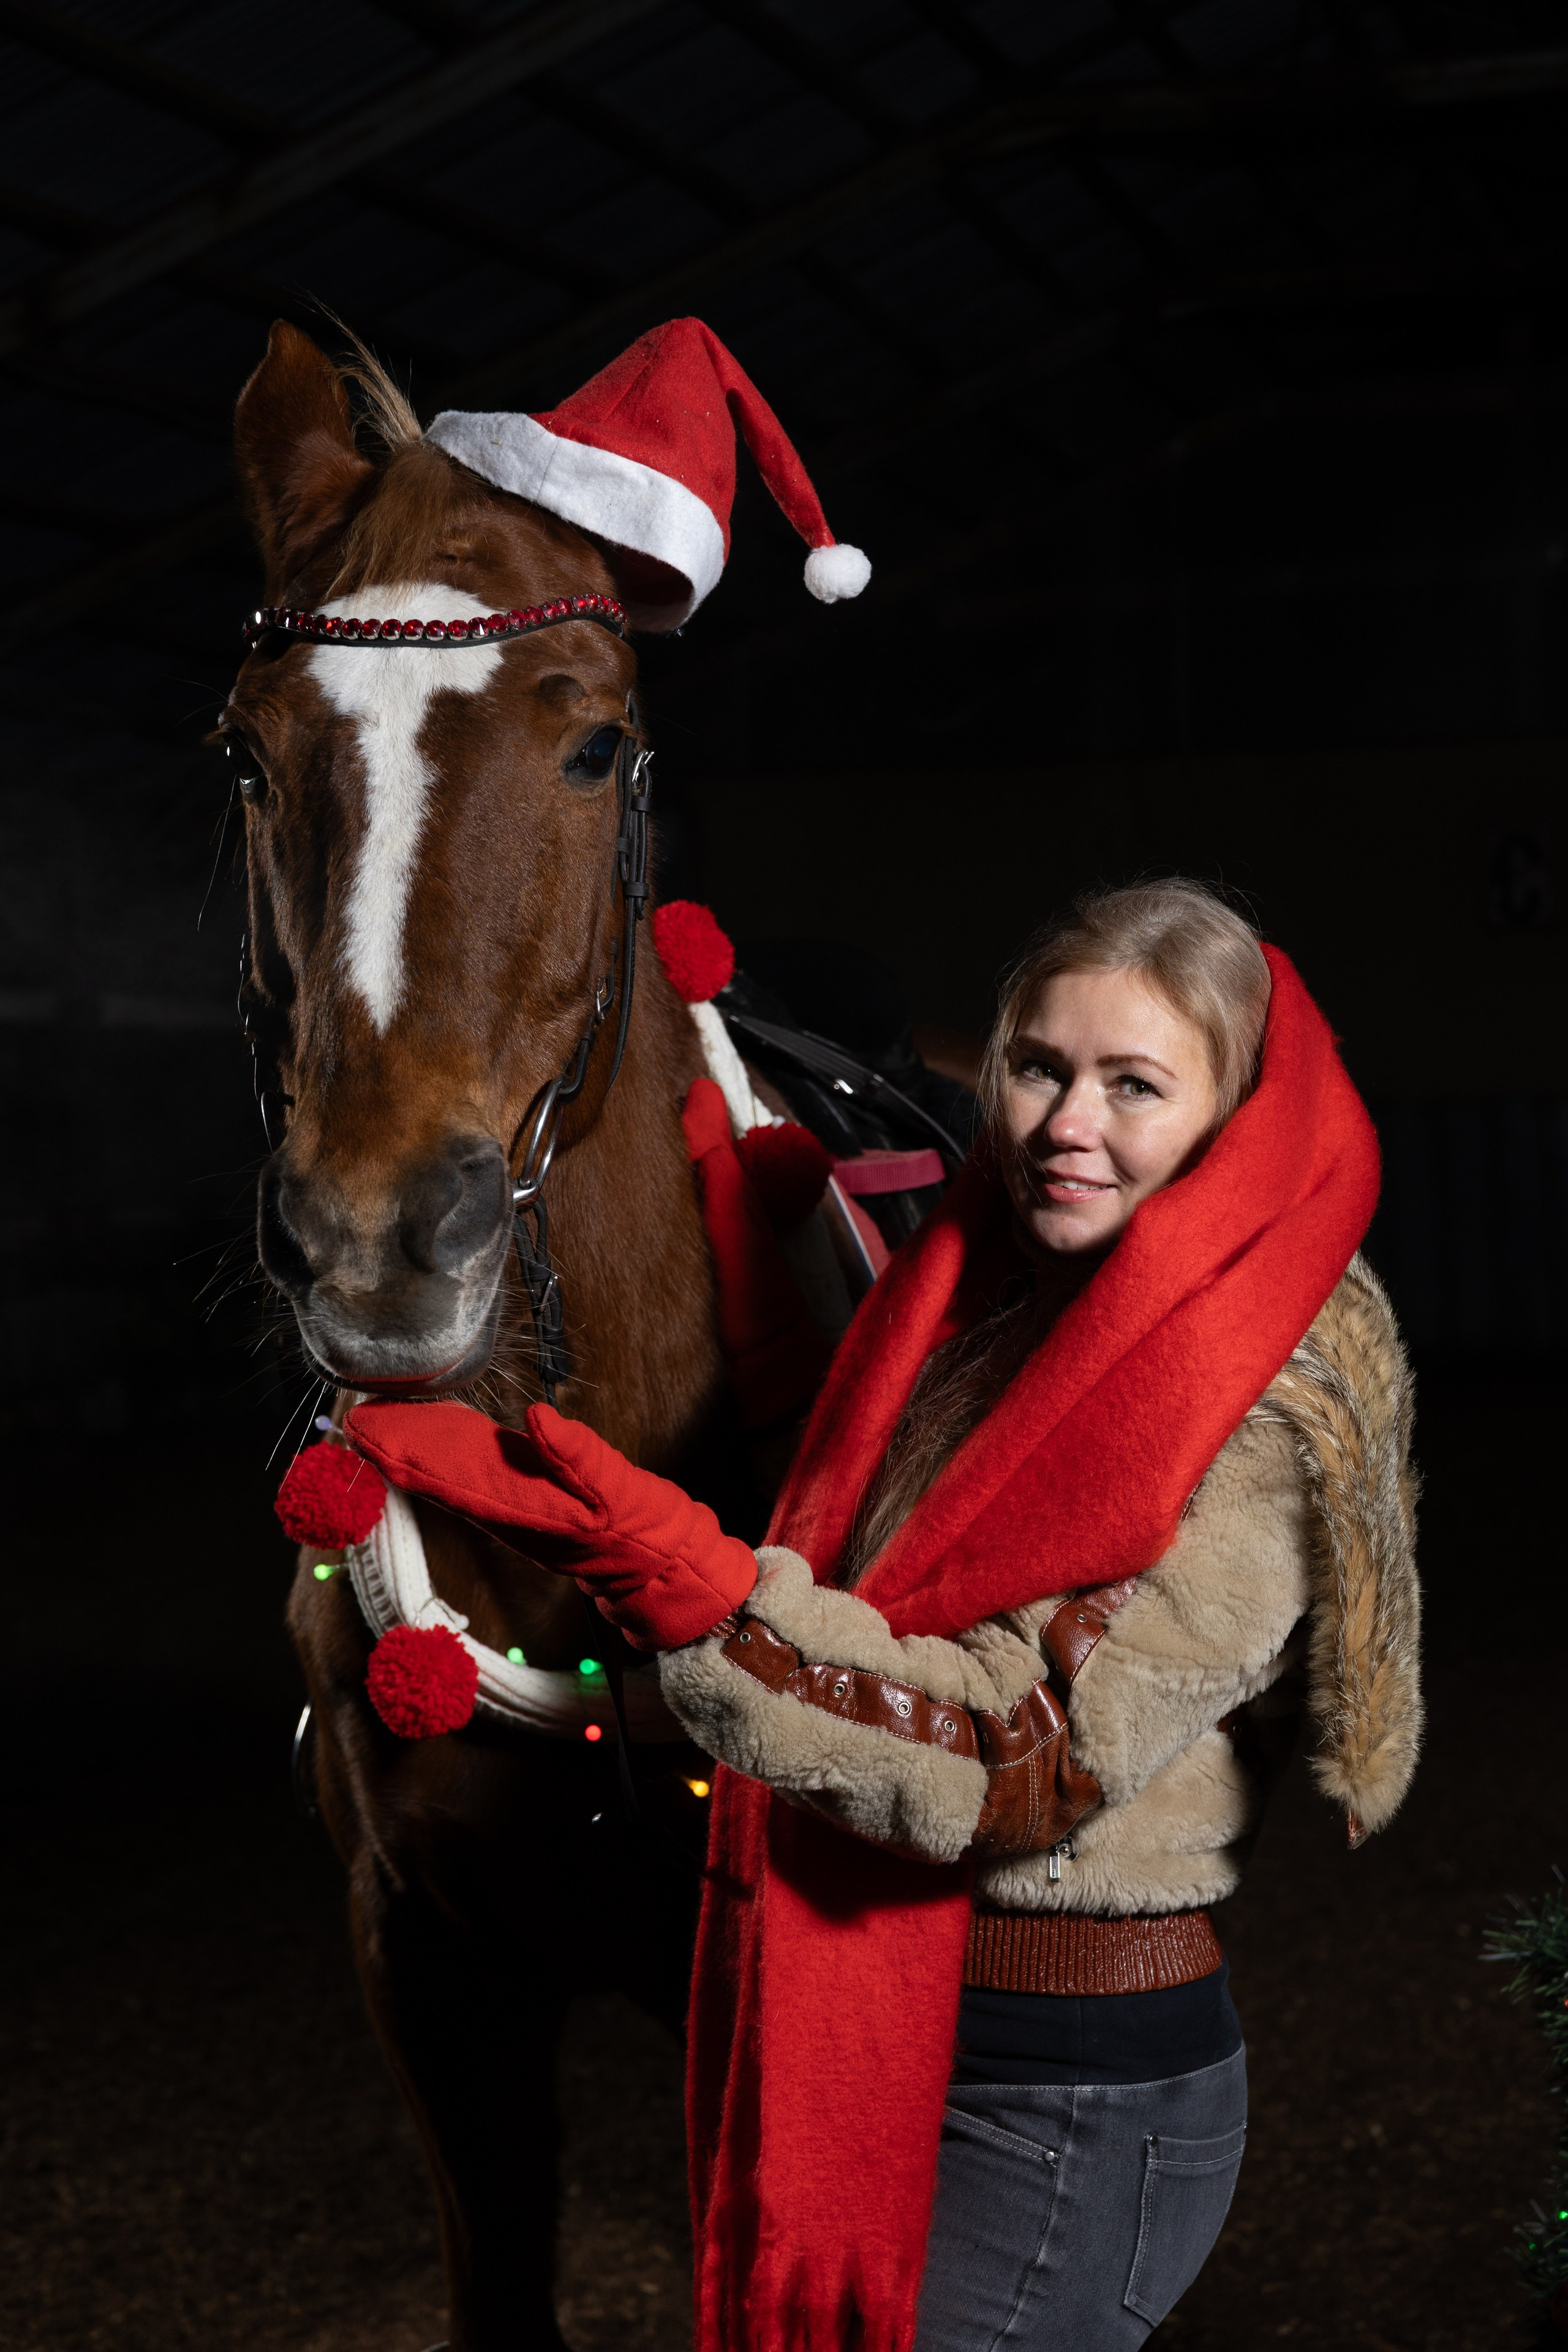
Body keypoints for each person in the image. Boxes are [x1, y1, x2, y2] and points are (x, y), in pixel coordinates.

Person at [350, 879, 1421, 2352]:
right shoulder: (996, 1305)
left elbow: (1013, 1754)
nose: (1064, 1121)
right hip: (905, 2040)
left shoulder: (1249, 1413)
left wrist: (684, 1579)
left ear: (1228, 1118)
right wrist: (751, 1284)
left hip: (1066, 2102)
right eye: (1038, 1068)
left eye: (1134, 1085)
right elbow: (883, 1529)